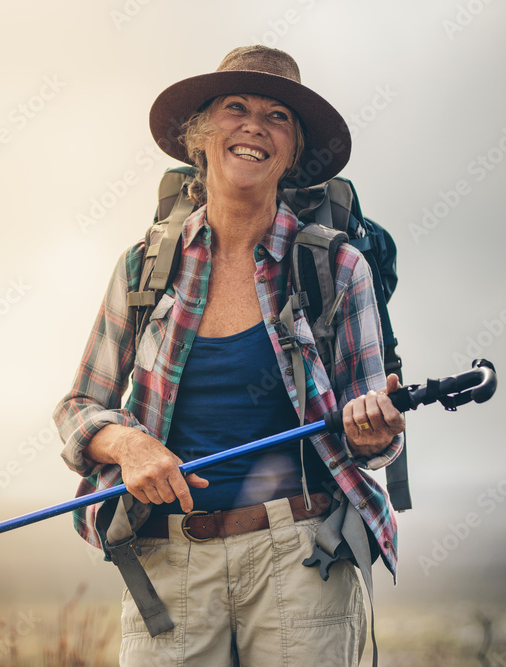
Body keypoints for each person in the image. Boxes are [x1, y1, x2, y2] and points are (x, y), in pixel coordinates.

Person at [53, 45, 406, 666]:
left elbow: (370, 439)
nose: (253, 126)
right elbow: (80, 407)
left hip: (305, 557)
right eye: (235, 108)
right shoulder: (145, 268)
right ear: (199, 136)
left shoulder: (336, 267)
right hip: (168, 559)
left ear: (293, 152)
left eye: (278, 117)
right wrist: (129, 446)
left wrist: (377, 433)